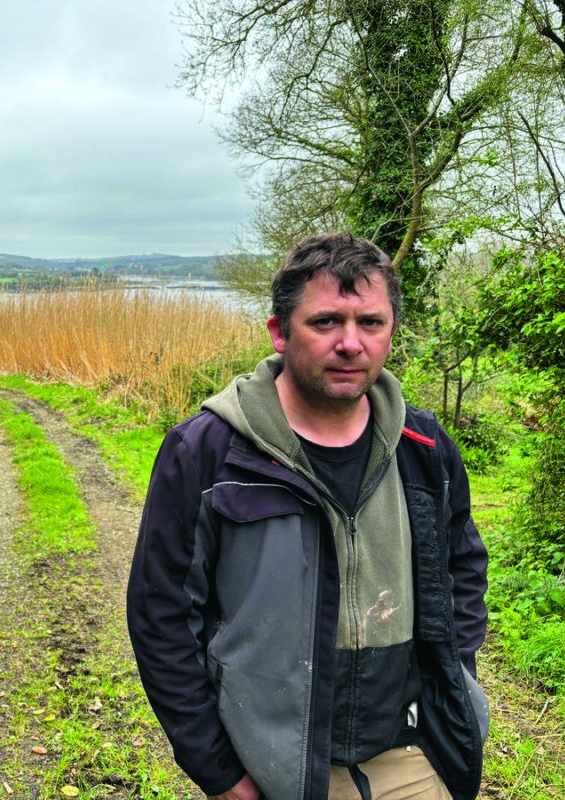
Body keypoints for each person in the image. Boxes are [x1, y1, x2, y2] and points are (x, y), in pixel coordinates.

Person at [126, 234, 489, 800]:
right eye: (325, 323)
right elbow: (161, 618)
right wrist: (220, 773)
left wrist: (454, 674)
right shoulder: (207, 452)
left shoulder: (424, 447)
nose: (350, 344)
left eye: (371, 322)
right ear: (279, 331)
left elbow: (462, 566)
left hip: (411, 757)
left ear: (392, 329)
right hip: (273, 766)